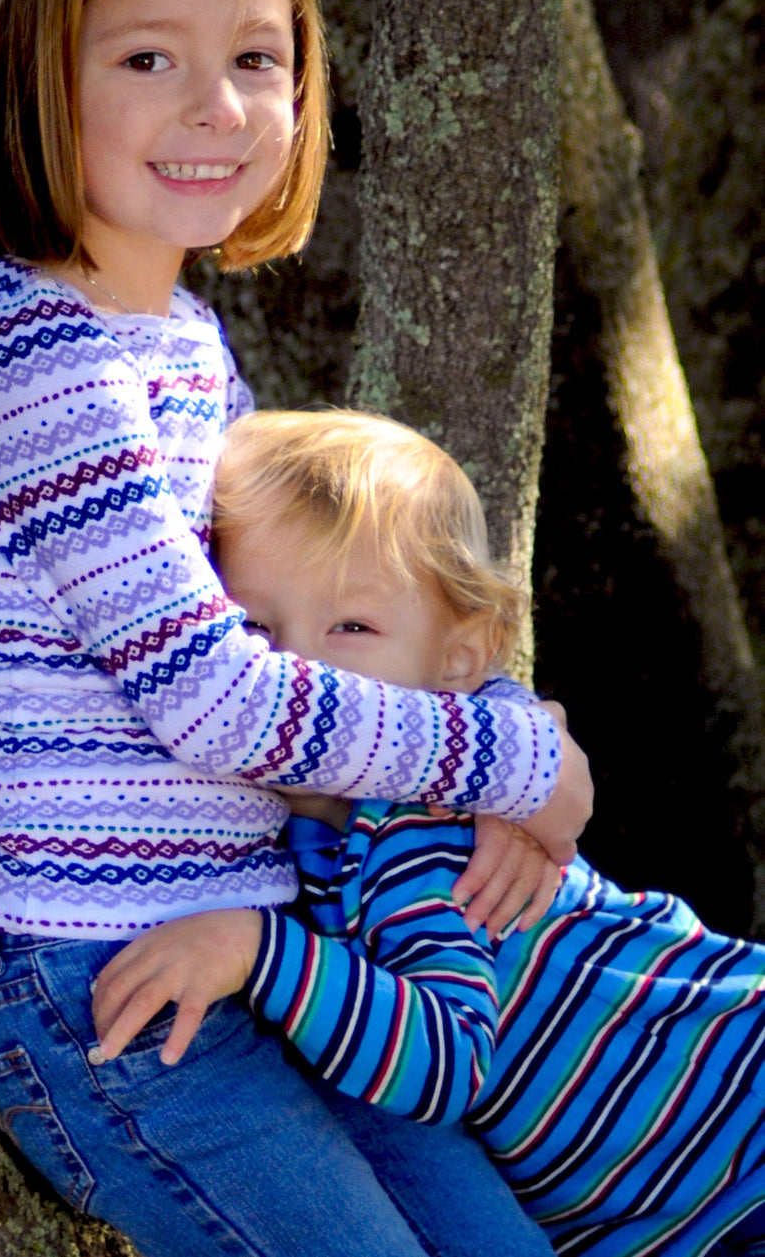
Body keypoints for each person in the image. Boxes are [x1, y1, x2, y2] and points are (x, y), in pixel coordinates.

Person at [0, 0, 590, 1255]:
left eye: (255, 60)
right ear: (35, 68)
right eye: (148, 59)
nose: (215, 106)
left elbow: (316, 606)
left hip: (274, 945)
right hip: (110, 989)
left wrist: (494, 720)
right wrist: (524, 758)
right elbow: (216, 696)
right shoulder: (43, 370)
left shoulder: (182, 346)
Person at [92, 408, 765, 1257]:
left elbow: (443, 1060)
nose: (299, 669)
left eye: (352, 627)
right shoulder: (313, 837)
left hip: (737, 1125)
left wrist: (257, 952)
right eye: (254, 631)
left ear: (460, 652)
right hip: (682, 1208)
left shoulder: (421, 830)